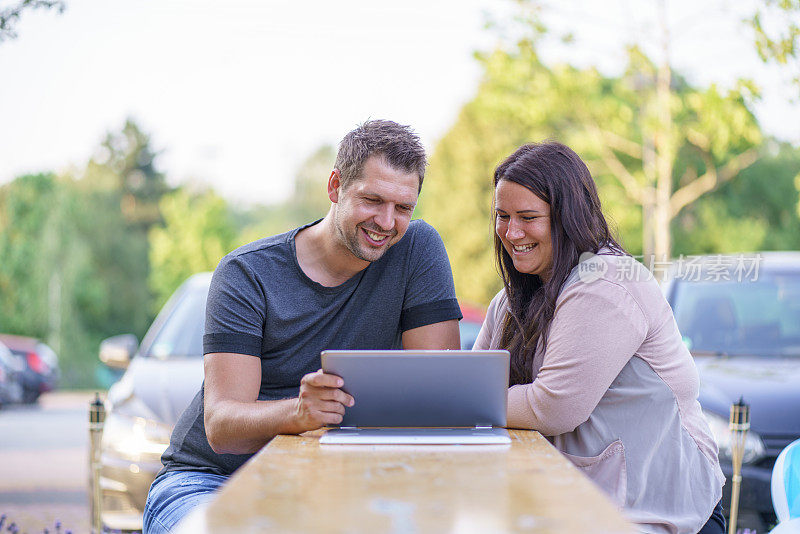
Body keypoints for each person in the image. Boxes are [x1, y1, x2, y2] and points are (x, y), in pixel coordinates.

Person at [142, 120, 462, 533]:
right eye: (372, 200)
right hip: (213, 480)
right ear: (335, 187)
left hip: (342, 481)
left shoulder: (416, 250)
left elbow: (438, 395)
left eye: (403, 208)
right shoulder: (248, 274)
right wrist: (300, 412)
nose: (387, 222)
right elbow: (221, 427)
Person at [473, 141, 726, 534]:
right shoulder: (509, 302)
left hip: (659, 512)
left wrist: (455, 400)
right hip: (575, 508)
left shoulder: (604, 281)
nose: (511, 231)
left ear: (567, 217)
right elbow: (473, 381)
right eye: (502, 215)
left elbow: (552, 407)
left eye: (528, 216)